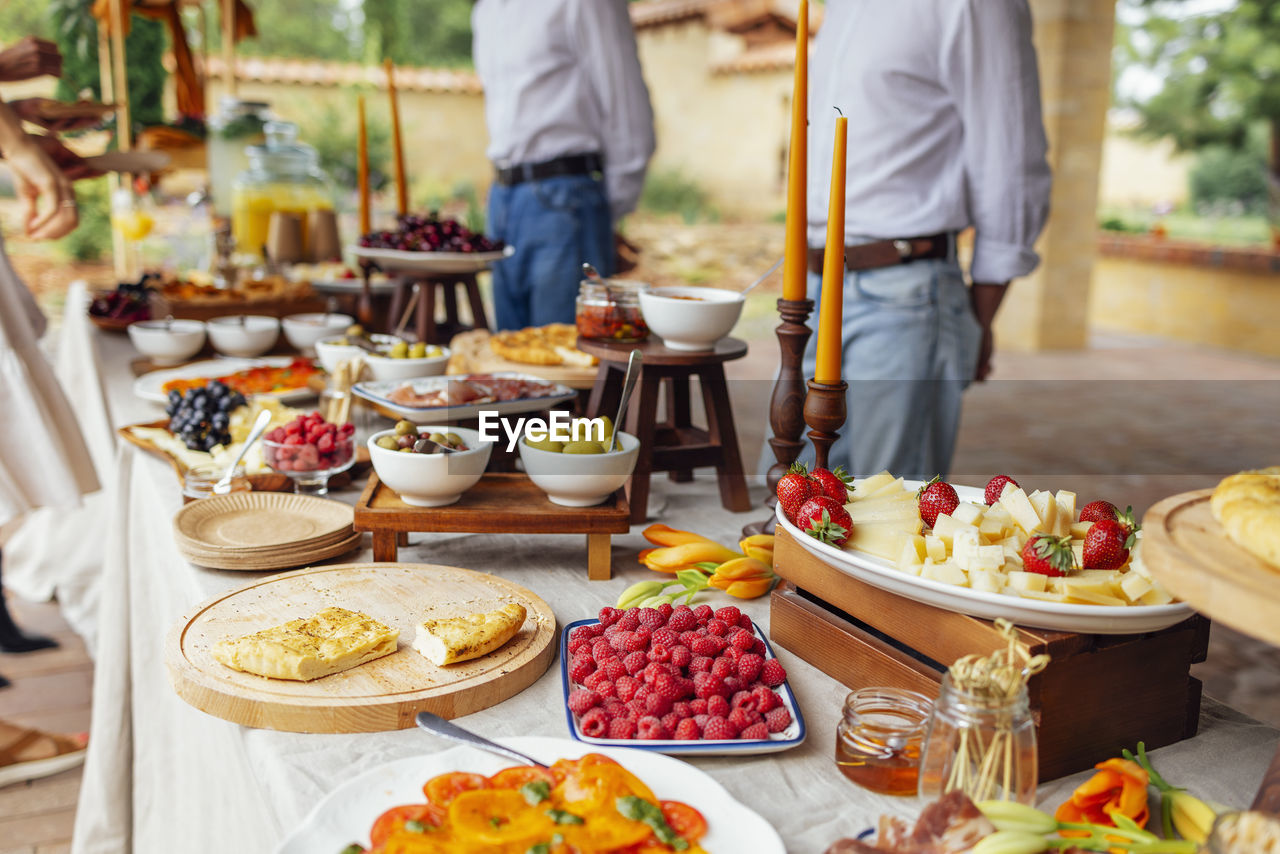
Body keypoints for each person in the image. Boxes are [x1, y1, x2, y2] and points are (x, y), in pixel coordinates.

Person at [773, 0, 1051, 481]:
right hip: (813, 291)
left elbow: (1009, 162)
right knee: (789, 504)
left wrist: (978, 318)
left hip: (906, 292)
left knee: (887, 513)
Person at [471, 0, 656, 331]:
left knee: (567, 359)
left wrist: (602, 214)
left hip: (565, 198)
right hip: (502, 200)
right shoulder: (486, 11)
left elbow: (628, 114)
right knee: (511, 360)